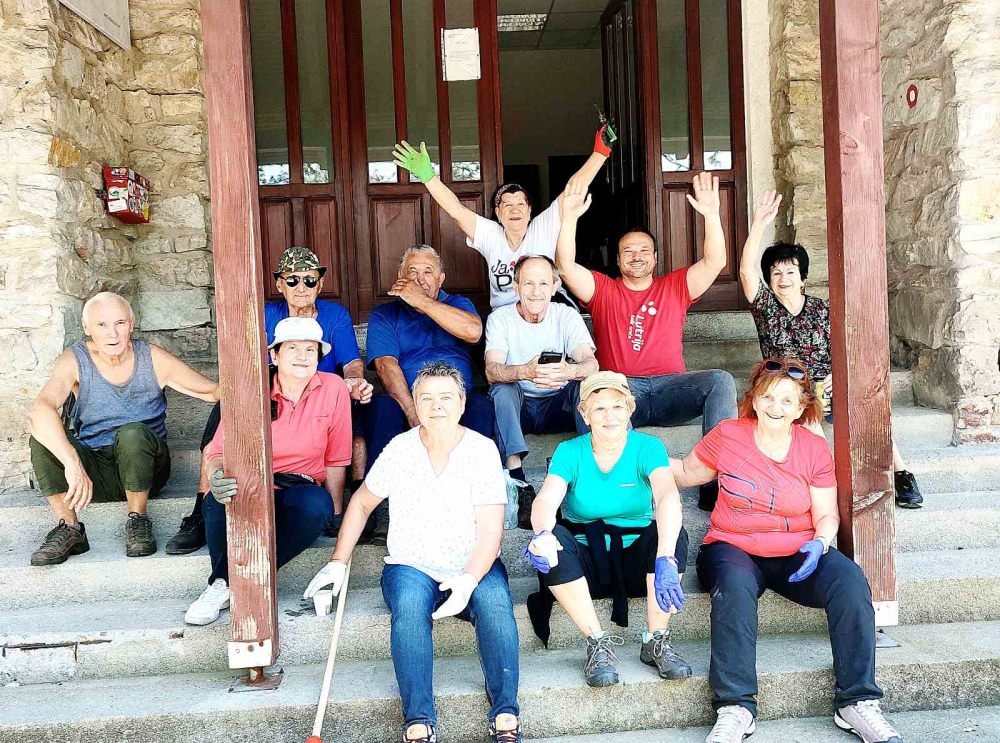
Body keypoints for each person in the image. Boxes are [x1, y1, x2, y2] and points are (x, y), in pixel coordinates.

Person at [670, 358, 904, 743]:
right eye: (767, 397)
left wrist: (820, 542)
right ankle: (735, 707)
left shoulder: (812, 448)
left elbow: (826, 514)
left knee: (850, 581)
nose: (775, 407)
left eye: (786, 400)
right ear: (753, 399)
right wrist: (631, 454)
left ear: (800, 409)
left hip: (798, 551)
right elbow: (682, 472)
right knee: (733, 587)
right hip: (732, 546)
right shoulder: (728, 435)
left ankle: (857, 701)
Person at [305, 361, 522, 743]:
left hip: (473, 562)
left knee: (495, 604)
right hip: (411, 564)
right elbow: (361, 504)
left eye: (446, 397)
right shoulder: (400, 449)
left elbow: (491, 530)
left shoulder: (482, 450)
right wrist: (337, 563)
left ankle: (505, 711)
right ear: (415, 405)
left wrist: (468, 580)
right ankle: (419, 719)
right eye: (427, 398)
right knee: (408, 608)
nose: (436, 406)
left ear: (461, 403)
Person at [165, 246, 373, 555]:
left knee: (357, 431)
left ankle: (342, 510)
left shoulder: (335, 316)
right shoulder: (264, 315)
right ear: (279, 284)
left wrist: (353, 381)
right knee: (217, 434)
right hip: (267, 393)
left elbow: (352, 363)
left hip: (323, 397)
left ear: (320, 284)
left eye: (309, 280)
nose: (301, 287)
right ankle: (199, 514)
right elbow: (243, 361)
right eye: (292, 280)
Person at [555, 172, 737, 511]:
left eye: (644, 251)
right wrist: (568, 219)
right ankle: (608, 480)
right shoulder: (603, 290)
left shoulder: (675, 286)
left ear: (654, 258)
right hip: (623, 390)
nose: (636, 256)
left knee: (721, 380)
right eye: (628, 251)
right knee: (588, 389)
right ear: (617, 259)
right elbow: (565, 267)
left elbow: (716, 262)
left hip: (672, 390)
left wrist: (712, 214)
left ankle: (715, 481)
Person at [739, 190, 922, 508]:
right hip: (787, 386)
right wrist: (758, 224)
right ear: (768, 279)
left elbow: (845, 348)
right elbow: (745, 271)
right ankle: (832, 487)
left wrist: (841, 379)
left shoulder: (822, 309)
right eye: (776, 273)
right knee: (809, 420)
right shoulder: (765, 307)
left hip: (826, 383)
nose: (783, 278)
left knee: (867, 406)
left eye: (790, 271)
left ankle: (901, 474)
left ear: (803, 277)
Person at [523, 371, 691, 688]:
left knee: (671, 532)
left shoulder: (648, 447)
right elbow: (545, 500)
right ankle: (597, 643)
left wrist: (666, 557)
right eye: (599, 408)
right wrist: (542, 533)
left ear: (630, 410)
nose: (609, 416)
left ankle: (656, 640)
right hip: (587, 568)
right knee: (552, 539)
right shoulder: (570, 451)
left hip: (641, 566)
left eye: (617, 406)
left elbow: (668, 496)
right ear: (585, 415)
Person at [27, 292, 220, 565]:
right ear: (87, 328)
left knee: (132, 432)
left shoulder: (152, 357)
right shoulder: (74, 360)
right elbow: (39, 411)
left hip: (146, 468)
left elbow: (212, 392)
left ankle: (138, 520)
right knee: (41, 437)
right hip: (95, 471)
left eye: (119, 323)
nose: (112, 333)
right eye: (102, 325)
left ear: (131, 323)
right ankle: (70, 527)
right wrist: (71, 462)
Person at [184, 317, 352, 626]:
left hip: (299, 487)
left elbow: (337, 457)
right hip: (251, 481)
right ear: (274, 355)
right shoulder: (251, 388)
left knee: (317, 506)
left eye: (310, 350)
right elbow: (217, 452)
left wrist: (337, 514)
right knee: (218, 500)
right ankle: (223, 584)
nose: (302, 357)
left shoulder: (334, 388)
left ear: (319, 357)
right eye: (293, 348)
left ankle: (226, 583)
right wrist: (216, 475)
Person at [392, 122, 616, 309]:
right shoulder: (491, 234)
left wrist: (600, 153)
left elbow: (573, 190)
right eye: (506, 205)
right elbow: (456, 210)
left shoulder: (542, 227)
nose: (514, 209)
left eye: (520, 204)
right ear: (498, 214)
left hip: (547, 311)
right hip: (505, 320)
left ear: (529, 211)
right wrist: (428, 176)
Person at [486, 255, 598, 529]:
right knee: (501, 389)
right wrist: (526, 371)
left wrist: (569, 371)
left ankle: (594, 472)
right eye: (528, 283)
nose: (536, 291)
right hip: (520, 408)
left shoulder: (566, 315)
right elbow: (491, 370)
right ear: (516, 287)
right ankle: (519, 481)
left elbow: (591, 364)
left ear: (555, 286)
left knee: (586, 385)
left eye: (543, 283)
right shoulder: (500, 319)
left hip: (557, 405)